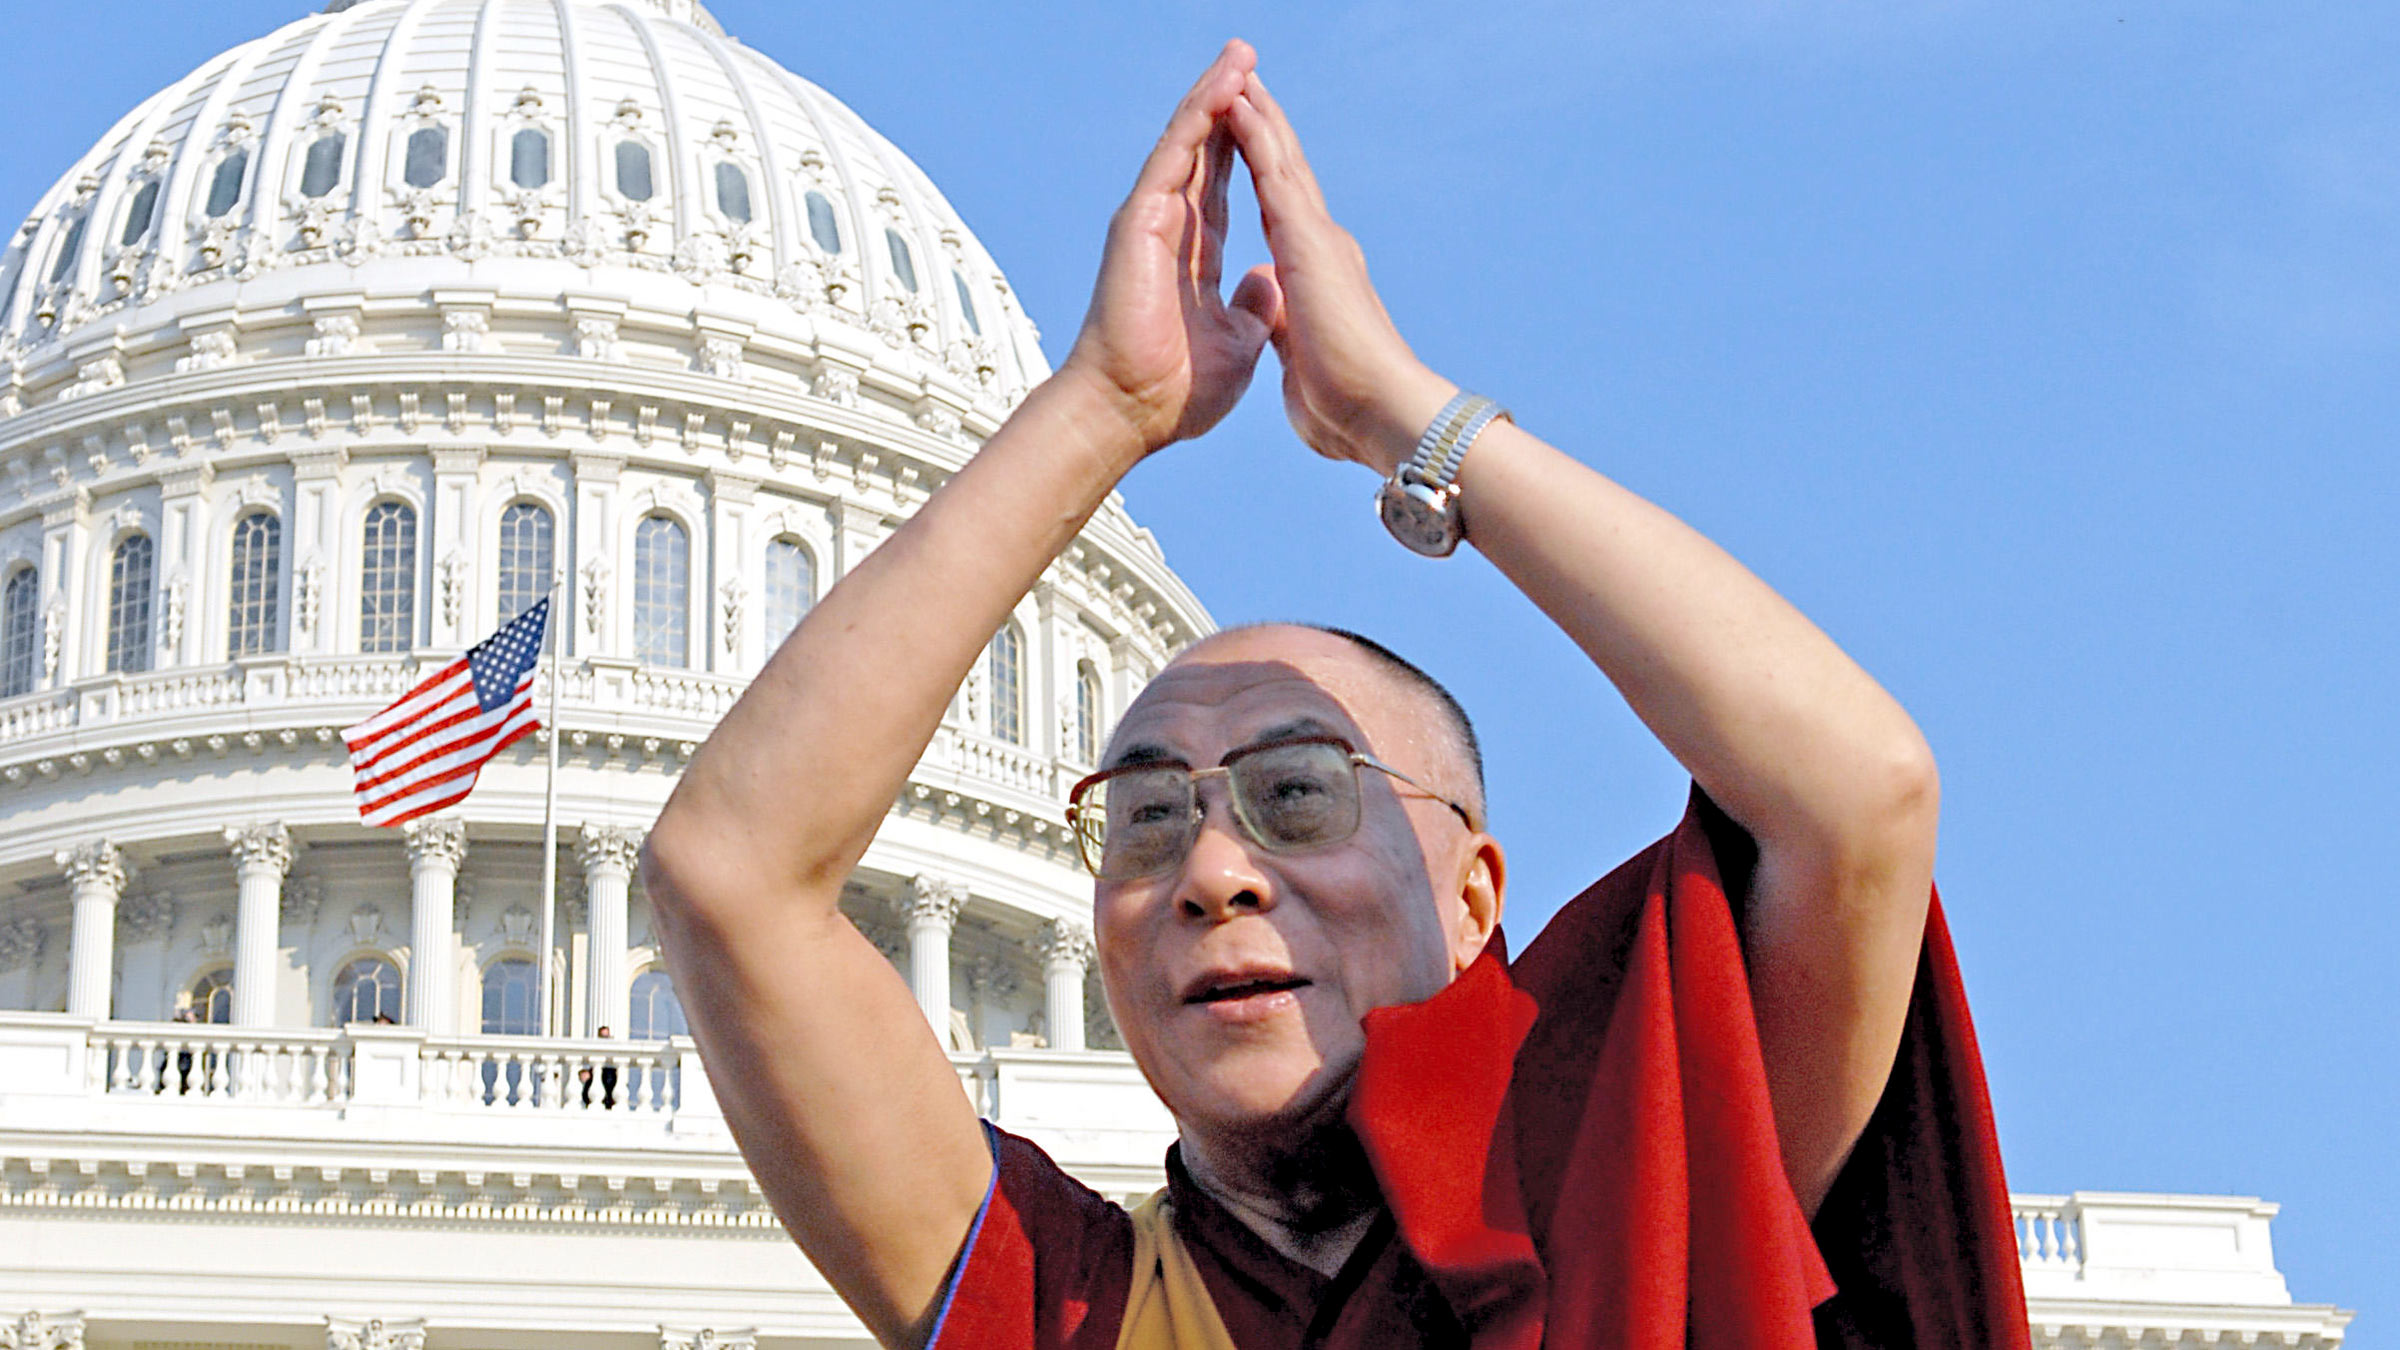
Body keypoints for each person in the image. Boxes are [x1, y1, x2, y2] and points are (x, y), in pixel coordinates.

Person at [644, 42, 2026, 1350]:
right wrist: (1107, 404)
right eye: (1144, 817)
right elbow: (729, 872)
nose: (1213, 872)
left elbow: (1859, 795)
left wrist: (1405, 416)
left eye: (1296, 791)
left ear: (1478, 890)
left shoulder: (1643, 1160)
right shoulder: (1083, 1307)